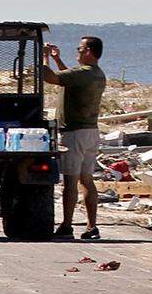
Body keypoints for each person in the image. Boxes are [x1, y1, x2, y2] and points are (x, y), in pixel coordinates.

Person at [40, 36, 106, 240]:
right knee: (87, 179)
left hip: (74, 133)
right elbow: (67, 77)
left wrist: (44, 58)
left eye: (79, 48)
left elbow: (50, 77)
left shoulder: (83, 73)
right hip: (91, 132)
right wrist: (57, 59)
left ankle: (67, 225)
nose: (77, 51)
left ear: (88, 52)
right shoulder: (95, 74)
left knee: (70, 181)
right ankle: (91, 226)